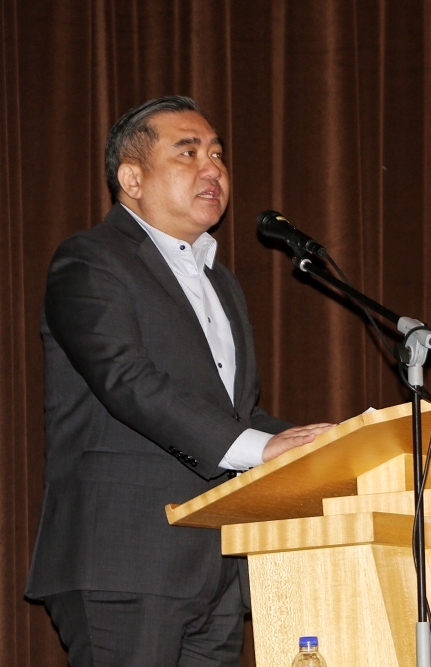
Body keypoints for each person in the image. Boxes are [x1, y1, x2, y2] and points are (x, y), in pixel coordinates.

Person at [24, 96, 332, 666]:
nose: (212, 169)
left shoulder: (221, 283)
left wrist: (325, 446)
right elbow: (126, 380)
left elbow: (236, 415)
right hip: (125, 557)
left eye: (217, 154)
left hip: (216, 565)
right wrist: (260, 447)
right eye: (188, 153)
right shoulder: (91, 260)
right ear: (132, 179)